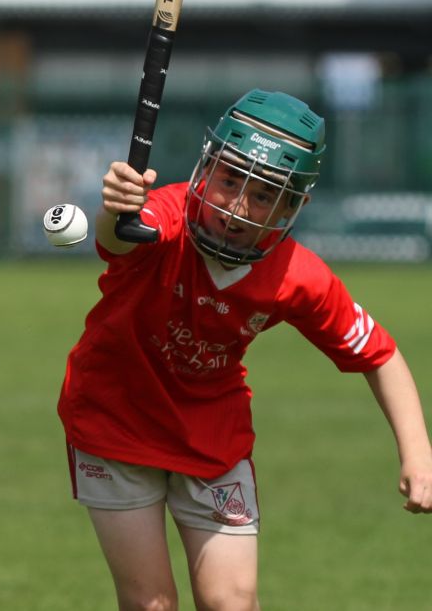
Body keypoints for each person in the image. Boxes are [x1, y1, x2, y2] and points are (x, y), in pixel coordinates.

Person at [58, 88, 432, 610]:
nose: (237, 207)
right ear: (206, 167)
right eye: (231, 180)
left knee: (231, 603)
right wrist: (116, 209)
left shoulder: (298, 277)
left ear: (294, 204)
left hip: (210, 435)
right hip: (113, 418)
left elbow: (379, 354)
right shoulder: (166, 211)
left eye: (263, 194)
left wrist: (417, 453)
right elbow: (119, 239)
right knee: (152, 605)